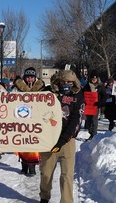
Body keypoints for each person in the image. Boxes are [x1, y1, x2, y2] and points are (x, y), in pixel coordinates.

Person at [39, 69, 85, 203]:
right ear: (58, 81)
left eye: (69, 82)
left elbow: (75, 121)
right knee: (46, 173)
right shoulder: (48, 93)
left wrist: (62, 141)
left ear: (74, 82)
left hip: (67, 141)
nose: (66, 84)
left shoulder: (78, 96)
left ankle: (66, 201)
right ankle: (44, 196)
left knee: (67, 175)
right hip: (49, 139)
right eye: (63, 81)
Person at [12, 67, 45, 176]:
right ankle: (24, 166)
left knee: (33, 143)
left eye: (32, 77)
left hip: (35, 119)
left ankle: (32, 167)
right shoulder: (17, 87)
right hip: (21, 117)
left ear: (35, 77)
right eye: (28, 77)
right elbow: (11, 99)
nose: (30, 79)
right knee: (22, 143)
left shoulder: (41, 88)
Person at [83, 70, 107, 140]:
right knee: (88, 121)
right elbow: (83, 94)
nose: (94, 80)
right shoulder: (87, 86)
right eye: (93, 79)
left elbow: (105, 96)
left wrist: (100, 103)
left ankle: (94, 134)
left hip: (95, 106)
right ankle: (90, 133)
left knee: (94, 120)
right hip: (88, 106)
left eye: (95, 79)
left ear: (97, 79)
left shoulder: (100, 86)